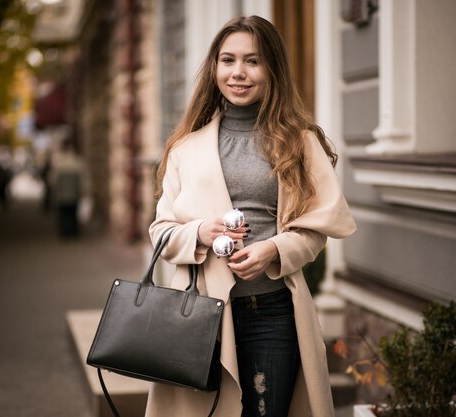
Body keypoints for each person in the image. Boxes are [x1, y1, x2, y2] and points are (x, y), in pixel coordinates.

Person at [148, 15, 357, 417]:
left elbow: (320, 228)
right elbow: (160, 232)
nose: (238, 72)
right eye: (227, 60)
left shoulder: (299, 142)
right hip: (199, 314)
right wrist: (198, 233)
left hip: (273, 312)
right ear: (214, 68)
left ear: (272, 69)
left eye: (253, 61)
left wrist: (274, 250)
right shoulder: (185, 148)